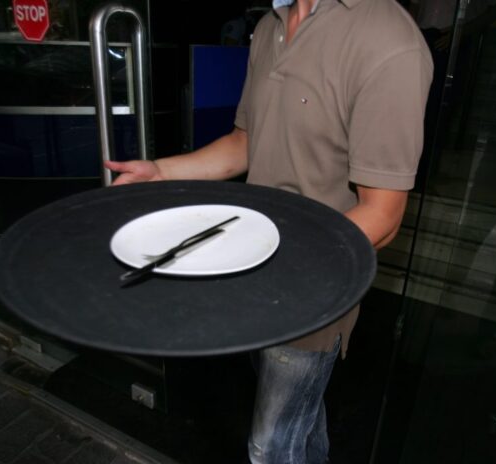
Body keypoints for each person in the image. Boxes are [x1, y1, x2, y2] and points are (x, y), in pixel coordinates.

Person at [106, 0, 432, 462]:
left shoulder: (388, 39)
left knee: (269, 448)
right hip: (255, 280)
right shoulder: (268, 26)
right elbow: (246, 142)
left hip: (310, 296)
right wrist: (161, 171)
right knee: (301, 423)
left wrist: (276, 270)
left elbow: (383, 216)